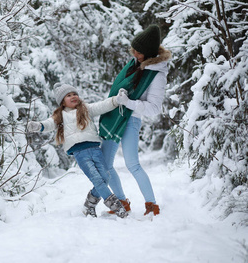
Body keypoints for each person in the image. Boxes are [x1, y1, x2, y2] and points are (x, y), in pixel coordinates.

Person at [99, 24, 172, 216]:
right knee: (105, 166)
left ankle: (152, 206)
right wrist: (120, 97)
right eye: (134, 50)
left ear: (148, 54)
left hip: (131, 120)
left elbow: (154, 109)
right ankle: (122, 202)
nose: (134, 54)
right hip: (115, 118)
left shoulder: (157, 75)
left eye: (138, 52)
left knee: (133, 164)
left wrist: (128, 102)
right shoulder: (135, 64)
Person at [27, 83, 129, 218]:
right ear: (62, 101)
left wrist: (117, 100)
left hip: (95, 148)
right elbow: (49, 124)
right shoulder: (60, 116)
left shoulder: (85, 109)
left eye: (74, 94)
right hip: (80, 153)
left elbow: (101, 106)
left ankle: (89, 205)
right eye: (68, 95)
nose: (73, 96)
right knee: (97, 180)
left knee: (106, 177)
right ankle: (116, 207)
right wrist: (38, 126)